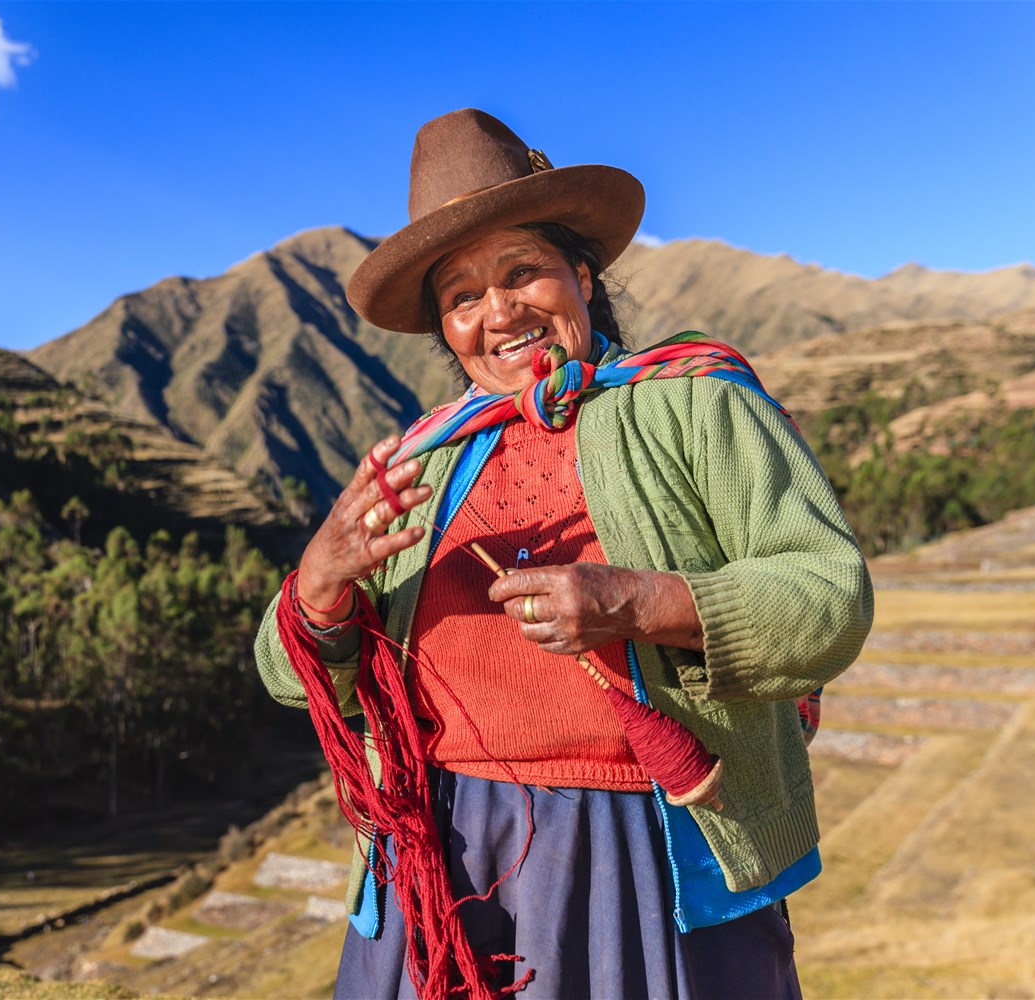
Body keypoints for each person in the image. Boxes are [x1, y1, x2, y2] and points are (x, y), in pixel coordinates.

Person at [254, 109, 872, 1000]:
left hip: (644, 843)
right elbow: (290, 678)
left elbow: (828, 595)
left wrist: (635, 604)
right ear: (444, 330)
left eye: (521, 272)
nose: (497, 312)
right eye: (461, 297)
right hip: (442, 846)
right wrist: (317, 590)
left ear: (580, 275)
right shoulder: (419, 463)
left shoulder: (691, 403)